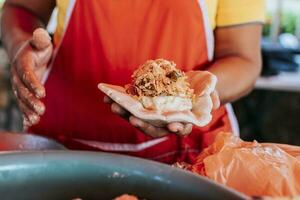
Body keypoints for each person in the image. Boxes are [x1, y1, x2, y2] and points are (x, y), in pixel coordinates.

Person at [1, 0, 264, 164]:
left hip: (188, 153)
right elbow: (21, 7)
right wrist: (22, 44)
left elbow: (243, 58)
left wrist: (191, 99)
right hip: (64, 149)